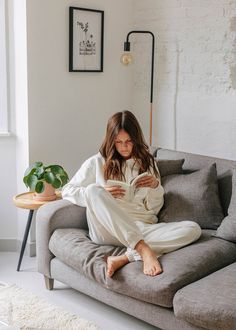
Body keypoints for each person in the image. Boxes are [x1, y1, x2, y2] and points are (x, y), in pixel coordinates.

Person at [62, 111, 201, 278]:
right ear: (111, 141)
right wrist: (102, 193)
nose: (124, 147)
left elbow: (154, 209)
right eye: (118, 142)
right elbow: (67, 190)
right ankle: (142, 249)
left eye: (129, 141)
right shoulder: (97, 162)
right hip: (106, 229)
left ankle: (125, 257)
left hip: (141, 226)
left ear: (136, 139)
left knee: (193, 229)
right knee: (93, 190)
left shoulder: (148, 163)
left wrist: (156, 187)